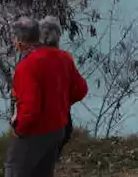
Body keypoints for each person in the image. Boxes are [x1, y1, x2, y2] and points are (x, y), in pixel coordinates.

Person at [6, 16, 88, 177]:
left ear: (20, 42)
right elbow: (81, 90)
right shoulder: (64, 57)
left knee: (15, 170)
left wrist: (19, 129)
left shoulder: (27, 66)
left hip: (35, 132)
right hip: (58, 128)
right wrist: (60, 102)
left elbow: (30, 109)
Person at [37, 17, 73, 160]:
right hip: (62, 117)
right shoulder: (66, 58)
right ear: (58, 36)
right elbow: (79, 89)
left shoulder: (30, 59)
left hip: (37, 119)